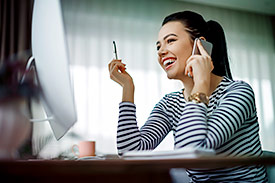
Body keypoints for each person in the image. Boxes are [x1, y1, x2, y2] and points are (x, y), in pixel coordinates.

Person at [108, 11, 267, 182]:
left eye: (170, 41)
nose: (161, 52)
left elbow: (193, 155)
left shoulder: (238, 92)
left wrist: (201, 81)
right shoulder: (170, 104)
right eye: (158, 46)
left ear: (200, 46)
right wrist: (127, 88)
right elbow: (130, 151)